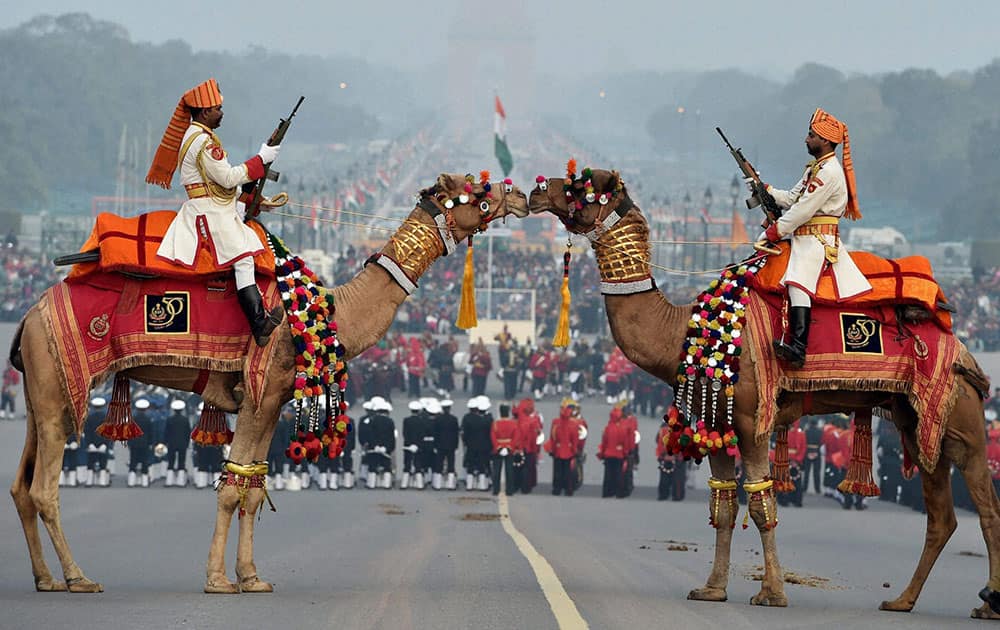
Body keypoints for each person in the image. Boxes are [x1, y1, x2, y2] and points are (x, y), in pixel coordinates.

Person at [146, 77, 283, 347]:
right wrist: (262, 158)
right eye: (218, 109)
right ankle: (259, 325)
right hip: (209, 212)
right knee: (244, 258)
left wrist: (254, 199)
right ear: (205, 111)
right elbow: (229, 178)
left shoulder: (200, 137)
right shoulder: (203, 142)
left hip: (217, 205)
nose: (222, 113)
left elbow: (221, 185)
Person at [759, 108, 871, 367]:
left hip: (818, 241)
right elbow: (791, 199)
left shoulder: (830, 172)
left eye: (811, 135)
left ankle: (798, 348)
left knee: (798, 283)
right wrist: (765, 189)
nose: (806, 139)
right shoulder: (816, 168)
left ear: (826, 141)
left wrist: (773, 232)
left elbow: (803, 210)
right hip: (803, 238)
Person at [597, 404, 633, 498]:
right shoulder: (623, 428)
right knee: (619, 474)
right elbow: (625, 442)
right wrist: (626, 453)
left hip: (608, 454)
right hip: (619, 454)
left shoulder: (607, 428)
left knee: (608, 474)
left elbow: (604, 441)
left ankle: (607, 492)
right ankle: (619, 492)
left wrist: (602, 453)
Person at [545, 399, 580, 497]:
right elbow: (575, 439)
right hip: (568, 450)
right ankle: (568, 489)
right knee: (568, 471)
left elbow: (552, 436)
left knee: (557, 471)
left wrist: (552, 448)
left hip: (558, 449)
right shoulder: (574, 424)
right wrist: (574, 450)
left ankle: (557, 488)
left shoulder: (556, 422)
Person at [490, 403, 522, 496]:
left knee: (497, 470)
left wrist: (498, 447)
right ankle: (509, 490)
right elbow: (516, 437)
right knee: (509, 470)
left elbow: (493, 436)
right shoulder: (513, 423)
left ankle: (496, 489)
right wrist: (510, 447)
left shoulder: (495, 424)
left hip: (498, 447)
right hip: (509, 447)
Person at [514, 398, 543, 494]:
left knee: (517, 467)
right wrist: (537, 449)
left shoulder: (517, 420)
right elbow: (536, 435)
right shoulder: (534, 420)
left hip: (518, 447)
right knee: (528, 467)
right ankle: (526, 487)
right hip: (529, 447)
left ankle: (516, 484)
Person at [163, 399, 191, 487]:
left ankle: (169, 481)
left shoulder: (169, 419)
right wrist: (187, 443)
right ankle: (181, 481)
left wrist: (165, 442)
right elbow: (188, 433)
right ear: (182, 409)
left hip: (171, 443)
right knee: (181, 462)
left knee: (171, 461)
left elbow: (166, 432)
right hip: (182, 443)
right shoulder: (185, 420)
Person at [127, 398, 154, 487]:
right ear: (146, 409)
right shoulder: (148, 419)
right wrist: (150, 443)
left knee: (133, 461)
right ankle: (144, 482)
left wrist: (129, 443)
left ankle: (131, 481)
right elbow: (150, 433)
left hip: (134, 443)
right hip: (144, 444)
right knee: (144, 461)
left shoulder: (132, 419)